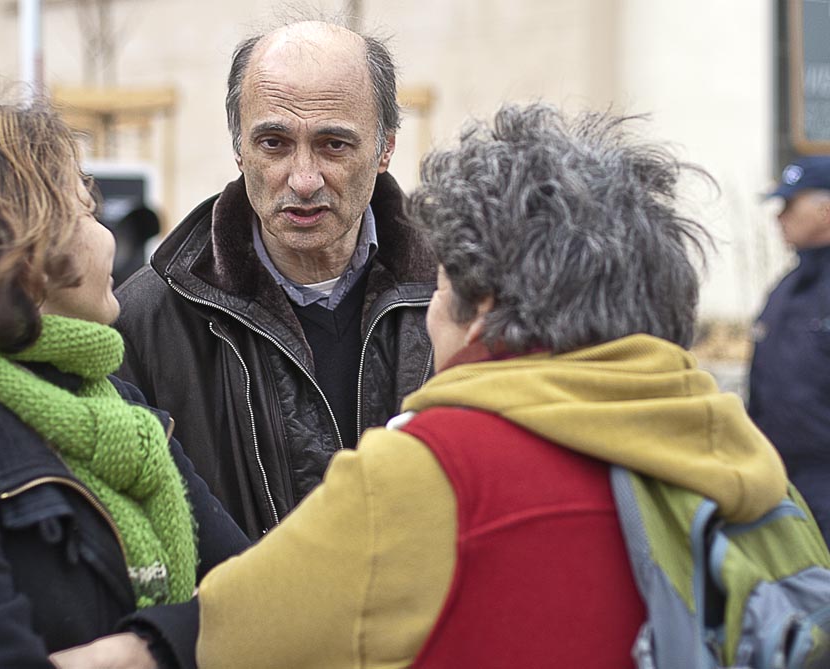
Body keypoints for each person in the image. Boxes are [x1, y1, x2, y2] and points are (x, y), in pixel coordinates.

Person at [58, 104, 789, 668]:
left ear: (487, 308)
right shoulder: (721, 440)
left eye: (441, 282)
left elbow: (234, 626)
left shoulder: (436, 466)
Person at [0, 98, 248, 668]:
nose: (109, 239)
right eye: (86, 212)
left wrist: (138, 649)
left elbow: (251, 592)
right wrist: (162, 646)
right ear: (19, 250)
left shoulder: (122, 417)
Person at [114, 20, 437, 537]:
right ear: (239, 148)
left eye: (333, 144)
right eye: (274, 143)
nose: (303, 179)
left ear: (385, 149)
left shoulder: (460, 301)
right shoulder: (145, 321)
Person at [749, 155, 830, 542]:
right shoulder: (789, 286)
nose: (778, 218)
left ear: (826, 209)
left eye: (789, 206)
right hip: (781, 479)